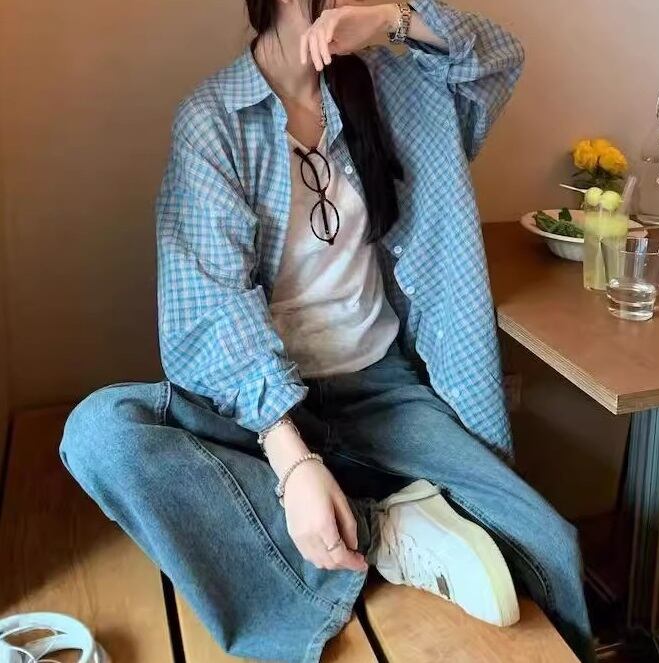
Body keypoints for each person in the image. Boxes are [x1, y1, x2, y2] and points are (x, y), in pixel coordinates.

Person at [60, 0, 596, 661]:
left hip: (382, 396)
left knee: (549, 547)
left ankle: (354, 524)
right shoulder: (215, 119)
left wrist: (392, 19)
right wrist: (292, 461)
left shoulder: (397, 89)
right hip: (257, 418)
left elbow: (494, 61)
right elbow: (207, 306)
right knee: (101, 433)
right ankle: (374, 529)